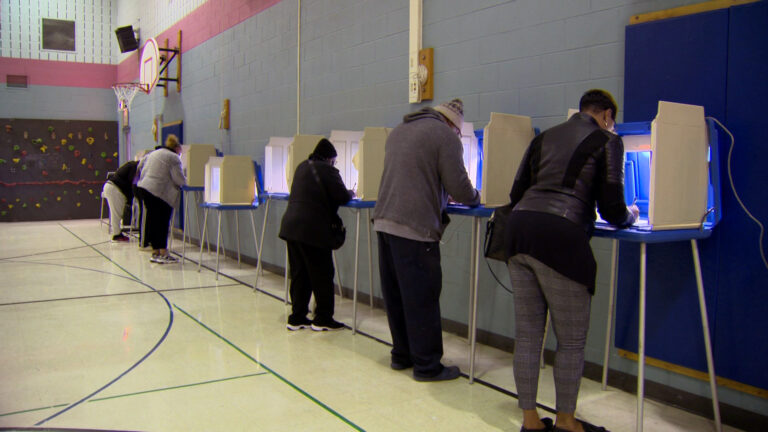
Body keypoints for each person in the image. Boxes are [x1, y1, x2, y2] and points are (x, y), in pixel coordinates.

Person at [504, 89, 639, 432]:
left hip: (518, 233)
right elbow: (612, 206)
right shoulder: (607, 141)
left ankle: (531, 422)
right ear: (608, 115)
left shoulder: (544, 137)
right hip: (560, 237)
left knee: (529, 335)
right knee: (572, 340)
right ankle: (566, 422)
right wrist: (631, 216)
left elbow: (516, 192)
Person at [372, 99, 480, 382]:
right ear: (453, 125)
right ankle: (428, 366)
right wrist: (475, 197)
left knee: (396, 295)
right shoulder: (445, 136)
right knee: (422, 297)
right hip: (415, 226)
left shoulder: (398, 131)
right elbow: (459, 185)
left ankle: (402, 355)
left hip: (384, 222)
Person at [279, 139, 354, 331]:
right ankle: (323, 318)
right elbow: (342, 196)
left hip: (291, 227)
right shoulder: (328, 171)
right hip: (313, 230)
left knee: (300, 274)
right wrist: (352, 192)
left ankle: (297, 317)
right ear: (329, 159)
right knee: (322, 274)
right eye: (334, 161)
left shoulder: (301, 167)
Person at [136, 135, 186, 264]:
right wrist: (187, 180)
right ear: (177, 148)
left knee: (152, 221)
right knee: (162, 222)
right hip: (159, 192)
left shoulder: (154, 153)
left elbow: (140, 165)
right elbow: (178, 179)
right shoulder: (173, 157)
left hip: (144, 188)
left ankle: (155, 251)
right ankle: (163, 252)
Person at [102, 159, 138, 242]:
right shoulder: (134, 167)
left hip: (111, 187)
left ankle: (117, 233)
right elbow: (132, 183)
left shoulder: (131, 165)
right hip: (115, 189)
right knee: (116, 214)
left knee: (116, 213)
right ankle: (116, 235)